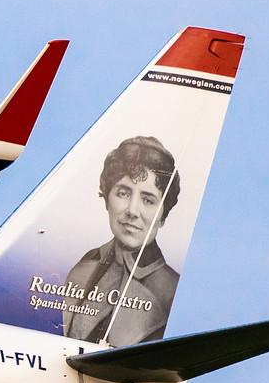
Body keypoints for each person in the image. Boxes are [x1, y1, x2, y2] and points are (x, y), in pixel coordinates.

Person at [61, 135, 181, 345]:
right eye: (123, 193)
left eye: (148, 200)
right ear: (107, 198)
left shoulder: (169, 290)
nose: (132, 211)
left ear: (163, 214)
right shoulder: (86, 263)